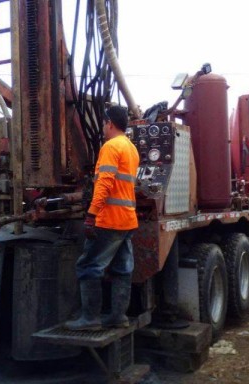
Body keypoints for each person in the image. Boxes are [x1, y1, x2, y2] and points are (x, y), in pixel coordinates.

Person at [65, 105, 139, 331]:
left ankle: (90, 319)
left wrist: (91, 214)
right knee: (122, 269)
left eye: (103, 123)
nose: (102, 128)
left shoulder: (110, 147)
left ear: (110, 123)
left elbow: (105, 184)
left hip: (109, 219)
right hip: (127, 220)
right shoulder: (131, 149)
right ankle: (118, 317)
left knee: (89, 265)